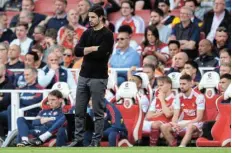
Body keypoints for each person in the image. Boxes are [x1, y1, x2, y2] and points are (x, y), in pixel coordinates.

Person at [68, 5, 114, 147]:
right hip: (83, 75)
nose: (91, 20)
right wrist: (93, 48)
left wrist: (86, 50)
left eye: (93, 17)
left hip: (98, 77)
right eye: (89, 17)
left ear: (101, 17)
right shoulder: (87, 32)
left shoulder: (107, 34)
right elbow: (77, 51)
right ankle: (78, 139)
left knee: (98, 111)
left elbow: (102, 53)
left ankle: (96, 141)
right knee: (79, 110)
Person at [160, 74, 205, 147]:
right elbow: (175, 115)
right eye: (180, 84)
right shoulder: (178, 97)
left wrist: (184, 125)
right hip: (183, 122)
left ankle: (181, 146)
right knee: (164, 127)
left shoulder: (199, 97)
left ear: (191, 84)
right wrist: (174, 124)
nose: (181, 86)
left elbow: (199, 118)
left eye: (184, 84)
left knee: (190, 127)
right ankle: (173, 145)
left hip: (196, 122)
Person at [143, 76, 175, 146]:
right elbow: (148, 116)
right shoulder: (156, 99)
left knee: (156, 124)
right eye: (158, 85)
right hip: (152, 122)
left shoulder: (175, 99)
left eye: (161, 85)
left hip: (165, 123)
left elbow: (168, 114)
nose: (159, 88)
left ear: (169, 85)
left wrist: (162, 100)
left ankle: (152, 147)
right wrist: (161, 112)